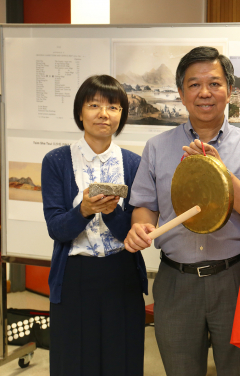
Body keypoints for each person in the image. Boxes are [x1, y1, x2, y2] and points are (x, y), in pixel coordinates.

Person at [124, 46, 240, 376]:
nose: (205, 93)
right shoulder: (158, 147)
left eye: (215, 83)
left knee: (239, 371)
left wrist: (220, 174)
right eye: (194, 84)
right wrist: (140, 226)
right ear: (181, 92)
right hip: (177, 281)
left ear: (229, 91)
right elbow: (146, 205)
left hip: (235, 279)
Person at [42, 75, 148, 376]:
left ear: (121, 116)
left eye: (113, 107)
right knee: (74, 363)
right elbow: (57, 229)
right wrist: (84, 210)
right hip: (75, 276)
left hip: (121, 274)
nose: (104, 114)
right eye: (94, 105)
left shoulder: (133, 163)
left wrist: (112, 212)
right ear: (80, 112)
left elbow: (133, 230)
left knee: (122, 361)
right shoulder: (56, 161)